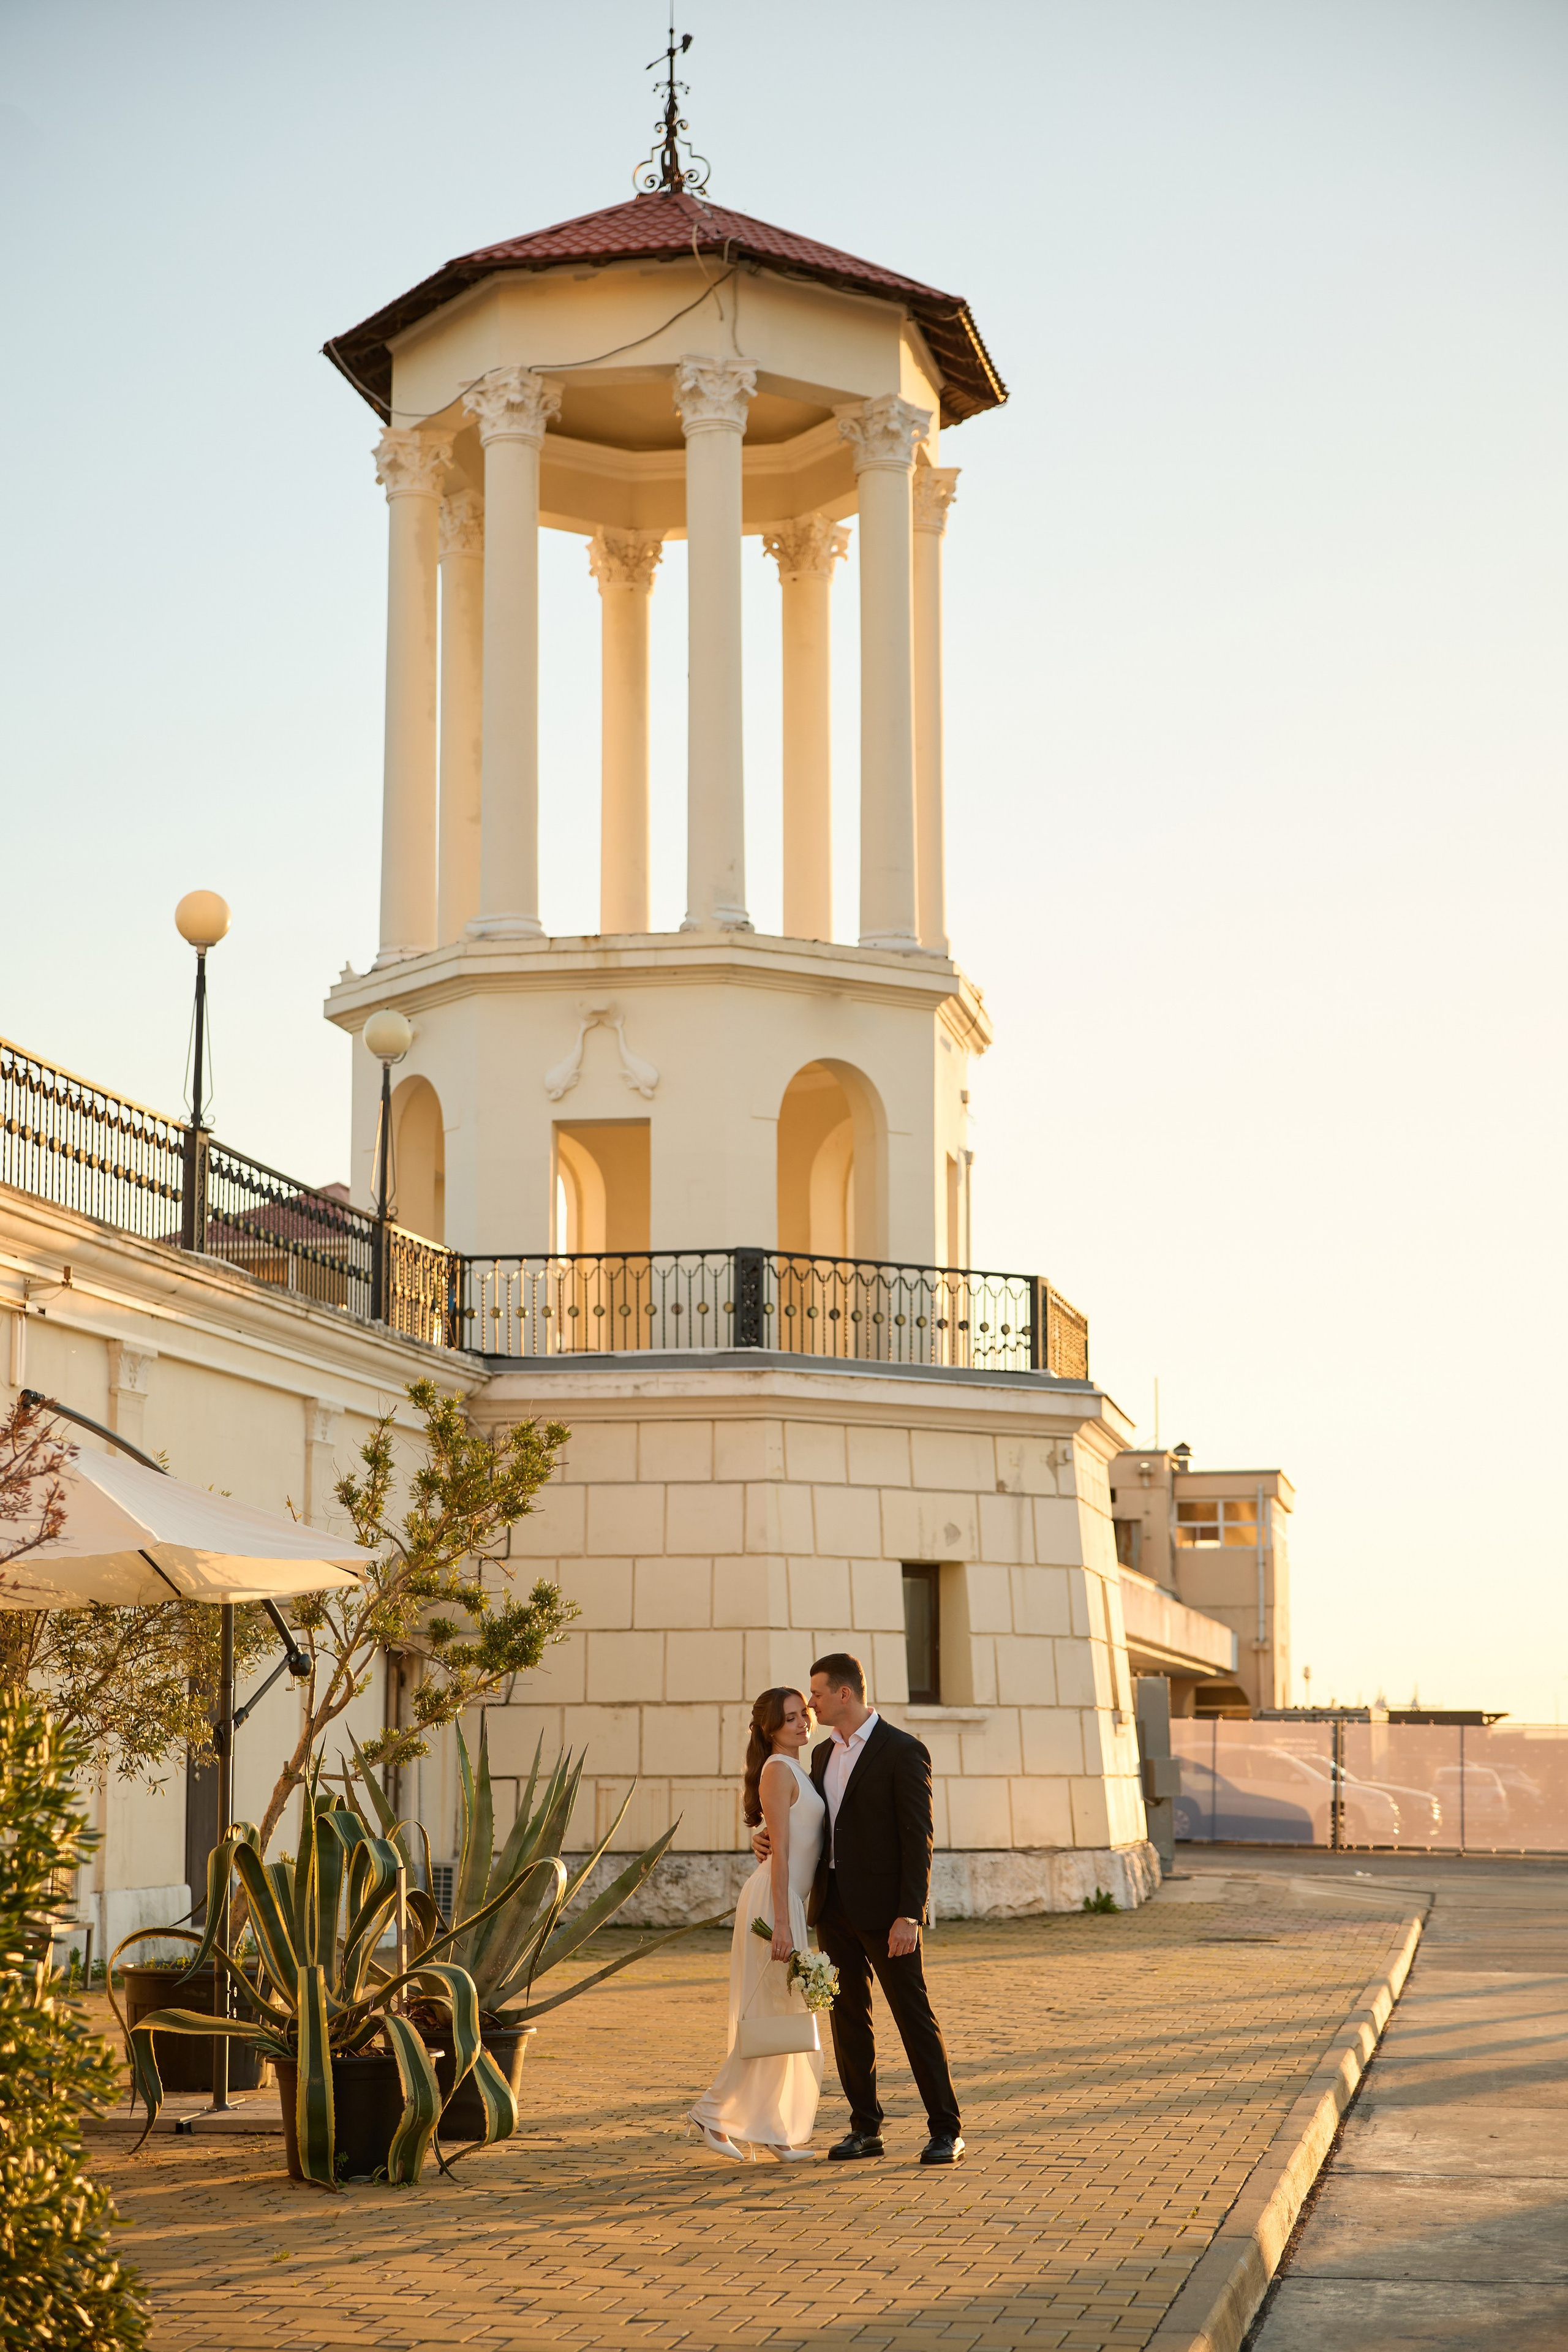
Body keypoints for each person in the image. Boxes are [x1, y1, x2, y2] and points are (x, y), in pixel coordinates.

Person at [753, 1651, 963, 2165]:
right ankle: (865, 2127)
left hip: (888, 1914)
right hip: (834, 1909)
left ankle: (946, 2129)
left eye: (818, 1695)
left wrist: (910, 1914)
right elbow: (814, 1826)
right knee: (850, 2020)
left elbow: (919, 1841)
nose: (811, 1703)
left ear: (844, 1694)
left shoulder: (903, 1751)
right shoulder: (821, 1756)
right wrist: (768, 1838)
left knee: (914, 2017)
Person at [688, 1686, 826, 2161]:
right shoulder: (776, 1770)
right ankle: (711, 2111)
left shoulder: (797, 1770)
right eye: (790, 1719)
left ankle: (771, 2132)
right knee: (769, 2018)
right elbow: (782, 1854)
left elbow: (781, 1837)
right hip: (773, 1902)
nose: (801, 1723)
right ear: (770, 1729)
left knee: (781, 2018)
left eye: (803, 1714)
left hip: (785, 1899)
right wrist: (784, 1924)